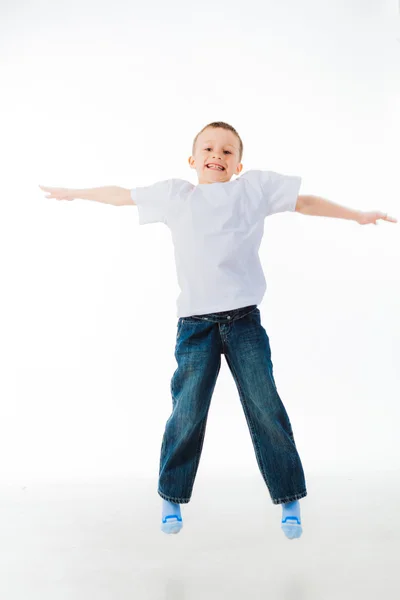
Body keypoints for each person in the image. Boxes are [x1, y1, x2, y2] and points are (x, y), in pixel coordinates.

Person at [39, 121, 397, 540]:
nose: (218, 155)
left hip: (244, 322)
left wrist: (356, 216)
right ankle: (171, 494)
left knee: (265, 405)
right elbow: (121, 196)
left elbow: (305, 202)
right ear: (193, 161)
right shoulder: (177, 197)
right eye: (209, 148)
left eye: (228, 151)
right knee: (187, 409)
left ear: (239, 164)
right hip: (195, 327)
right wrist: (75, 193)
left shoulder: (252, 191)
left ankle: (289, 497)